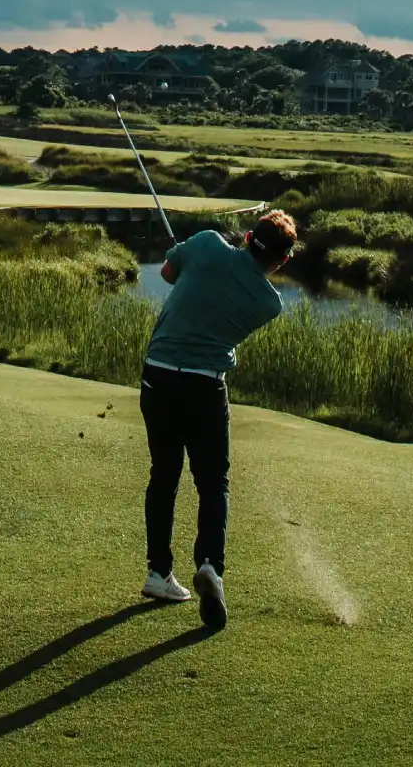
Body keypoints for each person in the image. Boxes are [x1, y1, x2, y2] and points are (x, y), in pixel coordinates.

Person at [137, 208, 298, 630]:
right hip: (204, 387)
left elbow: (170, 272)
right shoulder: (269, 303)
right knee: (212, 483)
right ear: (281, 261)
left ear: (248, 235)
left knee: (164, 475)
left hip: (157, 376)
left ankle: (158, 573)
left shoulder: (207, 243)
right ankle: (210, 565)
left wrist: (185, 255)